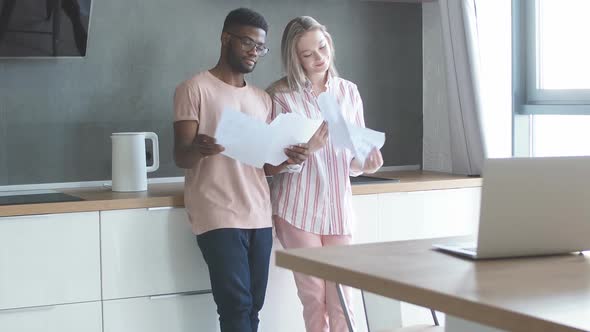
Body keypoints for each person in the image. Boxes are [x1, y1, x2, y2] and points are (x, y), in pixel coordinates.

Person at [173, 8, 309, 332]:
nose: (254, 52)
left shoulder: (262, 99)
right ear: (225, 39)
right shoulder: (193, 89)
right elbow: (181, 156)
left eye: (260, 47)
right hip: (217, 211)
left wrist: (290, 158)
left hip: (259, 213)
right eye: (248, 42)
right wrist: (199, 149)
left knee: (253, 307)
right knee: (236, 306)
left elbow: (266, 164)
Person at [265, 16, 384, 332]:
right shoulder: (281, 96)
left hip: (338, 209)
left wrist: (365, 164)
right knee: (315, 297)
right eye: (308, 54)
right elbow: (272, 161)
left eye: (322, 47)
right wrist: (310, 147)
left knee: (343, 297)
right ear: (295, 58)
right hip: (297, 209)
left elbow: (352, 158)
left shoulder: (349, 92)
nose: (319, 57)